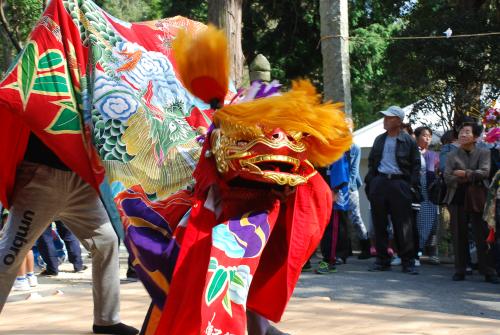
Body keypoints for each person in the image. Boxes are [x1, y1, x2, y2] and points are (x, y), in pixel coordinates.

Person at [0, 133, 138, 335]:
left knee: (107, 241)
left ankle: (107, 319)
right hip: (41, 174)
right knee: (11, 252)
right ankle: (107, 319)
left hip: (82, 176)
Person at [365, 106, 420, 274]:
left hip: (400, 184)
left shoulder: (409, 141)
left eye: (388, 118)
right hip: (380, 182)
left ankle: (407, 261)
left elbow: (416, 166)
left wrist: (410, 186)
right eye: (385, 118)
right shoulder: (379, 140)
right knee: (379, 223)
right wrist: (371, 182)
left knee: (403, 225)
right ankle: (382, 260)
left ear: (398, 121)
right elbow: (372, 162)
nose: (385, 120)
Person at [443, 122, 498, 283]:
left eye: (467, 132)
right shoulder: (452, 155)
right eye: (461, 132)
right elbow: (447, 177)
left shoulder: (484, 152)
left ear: (475, 137)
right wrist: (470, 176)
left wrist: (462, 173)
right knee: (459, 234)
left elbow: (484, 173)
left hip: (479, 197)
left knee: (483, 235)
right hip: (457, 197)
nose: (462, 135)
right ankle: (460, 269)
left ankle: (488, 270)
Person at [414, 126, 440, 265]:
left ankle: (431, 252)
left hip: (430, 194)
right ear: (417, 137)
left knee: (432, 225)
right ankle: (415, 251)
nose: (427, 138)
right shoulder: (412, 153)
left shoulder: (434, 155)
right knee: (416, 224)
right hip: (416, 193)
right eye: (424, 135)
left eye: (429, 135)